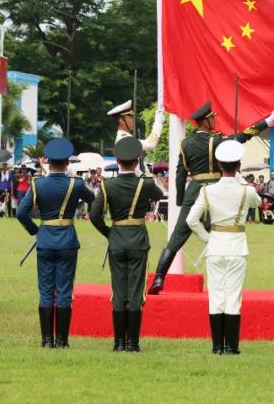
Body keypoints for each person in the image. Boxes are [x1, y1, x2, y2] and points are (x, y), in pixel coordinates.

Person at [146, 101, 274, 295]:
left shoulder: (186, 144)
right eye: (212, 119)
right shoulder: (218, 140)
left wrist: (181, 201)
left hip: (193, 192)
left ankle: (159, 277)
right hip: (217, 191)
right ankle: (223, 282)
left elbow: (179, 173)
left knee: (177, 238)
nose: (214, 122)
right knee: (222, 233)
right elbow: (243, 136)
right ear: (205, 122)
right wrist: (268, 121)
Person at [16, 138, 94, 348]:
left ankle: (47, 340)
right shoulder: (76, 184)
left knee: (46, 290)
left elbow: (21, 212)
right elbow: (95, 202)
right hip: (67, 240)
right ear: (67, 163)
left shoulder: (38, 183)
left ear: (47, 161)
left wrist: (36, 232)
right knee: (64, 290)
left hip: (45, 240)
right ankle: (62, 340)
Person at [88, 137, 164, 352]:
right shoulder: (146, 183)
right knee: (137, 291)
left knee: (119, 290)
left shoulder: (107, 185)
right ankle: (132, 343)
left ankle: (118, 342)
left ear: (117, 160)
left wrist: (110, 234)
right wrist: (143, 173)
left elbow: (94, 215)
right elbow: (159, 194)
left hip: (118, 238)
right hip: (138, 238)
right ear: (137, 160)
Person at [187, 139, 254, 355]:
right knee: (233, 296)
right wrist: (241, 179)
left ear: (218, 165)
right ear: (238, 165)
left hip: (216, 245)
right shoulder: (246, 191)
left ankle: (217, 346)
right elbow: (260, 203)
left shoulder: (208, 191)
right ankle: (232, 347)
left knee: (216, 296)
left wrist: (207, 238)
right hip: (236, 247)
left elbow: (191, 220)